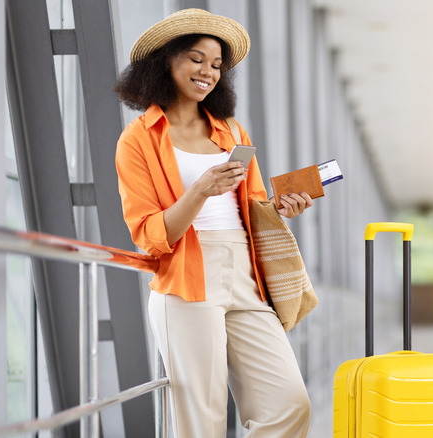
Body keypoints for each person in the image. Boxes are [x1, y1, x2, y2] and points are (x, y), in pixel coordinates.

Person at [113, 8, 313, 437]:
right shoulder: (138, 139)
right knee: (201, 422)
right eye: (196, 59)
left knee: (289, 403)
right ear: (165, 61)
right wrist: (200, 189)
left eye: (217, 65)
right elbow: (150, 235)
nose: (208, 72)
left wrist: (282, 208)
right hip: (185, 278)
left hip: (245, 273)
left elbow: (254, 205)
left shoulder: (230, 132)